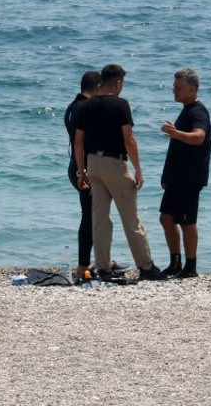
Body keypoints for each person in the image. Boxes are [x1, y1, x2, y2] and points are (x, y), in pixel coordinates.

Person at [73, 64, 164, 281]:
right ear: (118, 83)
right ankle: (146, 266)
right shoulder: (121, 104)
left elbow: (78, 142)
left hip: (93, 164)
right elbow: (129, 140)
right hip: (115, 163)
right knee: (130, 218)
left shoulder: (86, 105)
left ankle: (103, 267)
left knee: (99, 218)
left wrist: (81, 171)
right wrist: (138, 170)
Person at [158, 68, 211, 279]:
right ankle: (175, 263)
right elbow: (178, 146)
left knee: (187, 222)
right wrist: (166, 176)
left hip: (189, 177)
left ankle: (190, 267)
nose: (174, 90)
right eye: (174, 87)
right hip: (176, 177)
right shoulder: (186, 110)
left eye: (178, 87)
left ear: (192, 89)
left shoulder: (198, 112)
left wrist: (175, 132)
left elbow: (198, 137)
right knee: (166, 218)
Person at [64, 70, 101, 281]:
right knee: (90, 216)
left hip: (76, 166)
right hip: (83, 168)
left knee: (91, 214)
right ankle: (83, 265)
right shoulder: (86, 108)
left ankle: (92, 261)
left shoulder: (72, 107)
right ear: (97, 87)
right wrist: (83, 171)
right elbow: (82, 142)